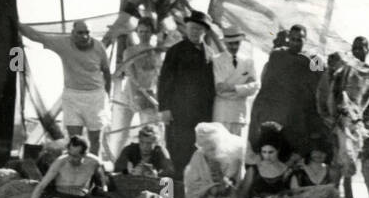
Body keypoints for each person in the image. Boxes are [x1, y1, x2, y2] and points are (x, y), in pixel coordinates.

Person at [19, 19, 112, 156]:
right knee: (75, 141)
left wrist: (106, 96)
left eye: (87, 33)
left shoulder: (98, 47)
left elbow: (107, 72)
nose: (84, 36)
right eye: (80, 33)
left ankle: (94, 173)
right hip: (72, 96)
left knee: (95, 140)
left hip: (95, 97)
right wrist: (16, 23)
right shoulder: (63, 43)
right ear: (73, 33)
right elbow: (37, 36)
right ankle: (76, 171)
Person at [332, 37, 369, 198]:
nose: (358, 52)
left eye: (361, 48)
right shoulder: (343, 75)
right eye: (355, 48)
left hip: (368, 130)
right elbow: (333, 99)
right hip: (346, 129)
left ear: (367, 51)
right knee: (340, 170)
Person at [157, 10, 217, 172]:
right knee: (172, 155)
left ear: (205, 31)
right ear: (187, 28)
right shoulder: (175, 51)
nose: (194, 32)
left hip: (200, 117)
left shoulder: (211, 55)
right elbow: (164, 82)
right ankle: (166, 195)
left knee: (195, 157)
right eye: (191, 28)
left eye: (198, 29)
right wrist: (164, 109)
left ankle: (188, 195)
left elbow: (211, 87)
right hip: (177, 114)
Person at [248, 24, 321, 156]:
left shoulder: (314, 59)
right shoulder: (277, 55)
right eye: (292, 39)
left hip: (298, 115)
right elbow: (266, 84)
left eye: (299, 39)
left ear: (306, 40)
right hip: (275, 113)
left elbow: (320, 88)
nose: (295, 42)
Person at [23, 135, 108, 198]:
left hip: (80, 197)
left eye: (75, 156)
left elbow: (104, 183)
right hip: (60, 195)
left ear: (84, 154)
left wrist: (102, 192)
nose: (70, 158)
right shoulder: (60, 162)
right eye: (69, 154)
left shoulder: (95, 162)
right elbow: (42, 185)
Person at [108, 15, 161, 155]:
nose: (144, 34)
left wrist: (154, 97)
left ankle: (151, 164)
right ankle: (116, 162)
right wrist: (134, 97)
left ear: (152, 33)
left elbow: (157, 75)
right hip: (129, 94)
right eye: (141, 31)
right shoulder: (129, 51)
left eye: (147, 31)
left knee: (150, 132)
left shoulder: (156, 52)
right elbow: (131, 76)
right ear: (137, 32)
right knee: (120, 133)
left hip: (148, 95)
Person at [211, 29, 259, 136]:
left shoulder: (248, 61)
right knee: (221, 148)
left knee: (238, 149)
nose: (233, 47)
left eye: (236, 43)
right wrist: (243, 87)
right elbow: (219, 89)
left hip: (240, 114)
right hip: (222, 114)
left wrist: (232, 88)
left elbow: (255, 87)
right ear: (225, 43)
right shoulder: (216, 60)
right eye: (230, 43)